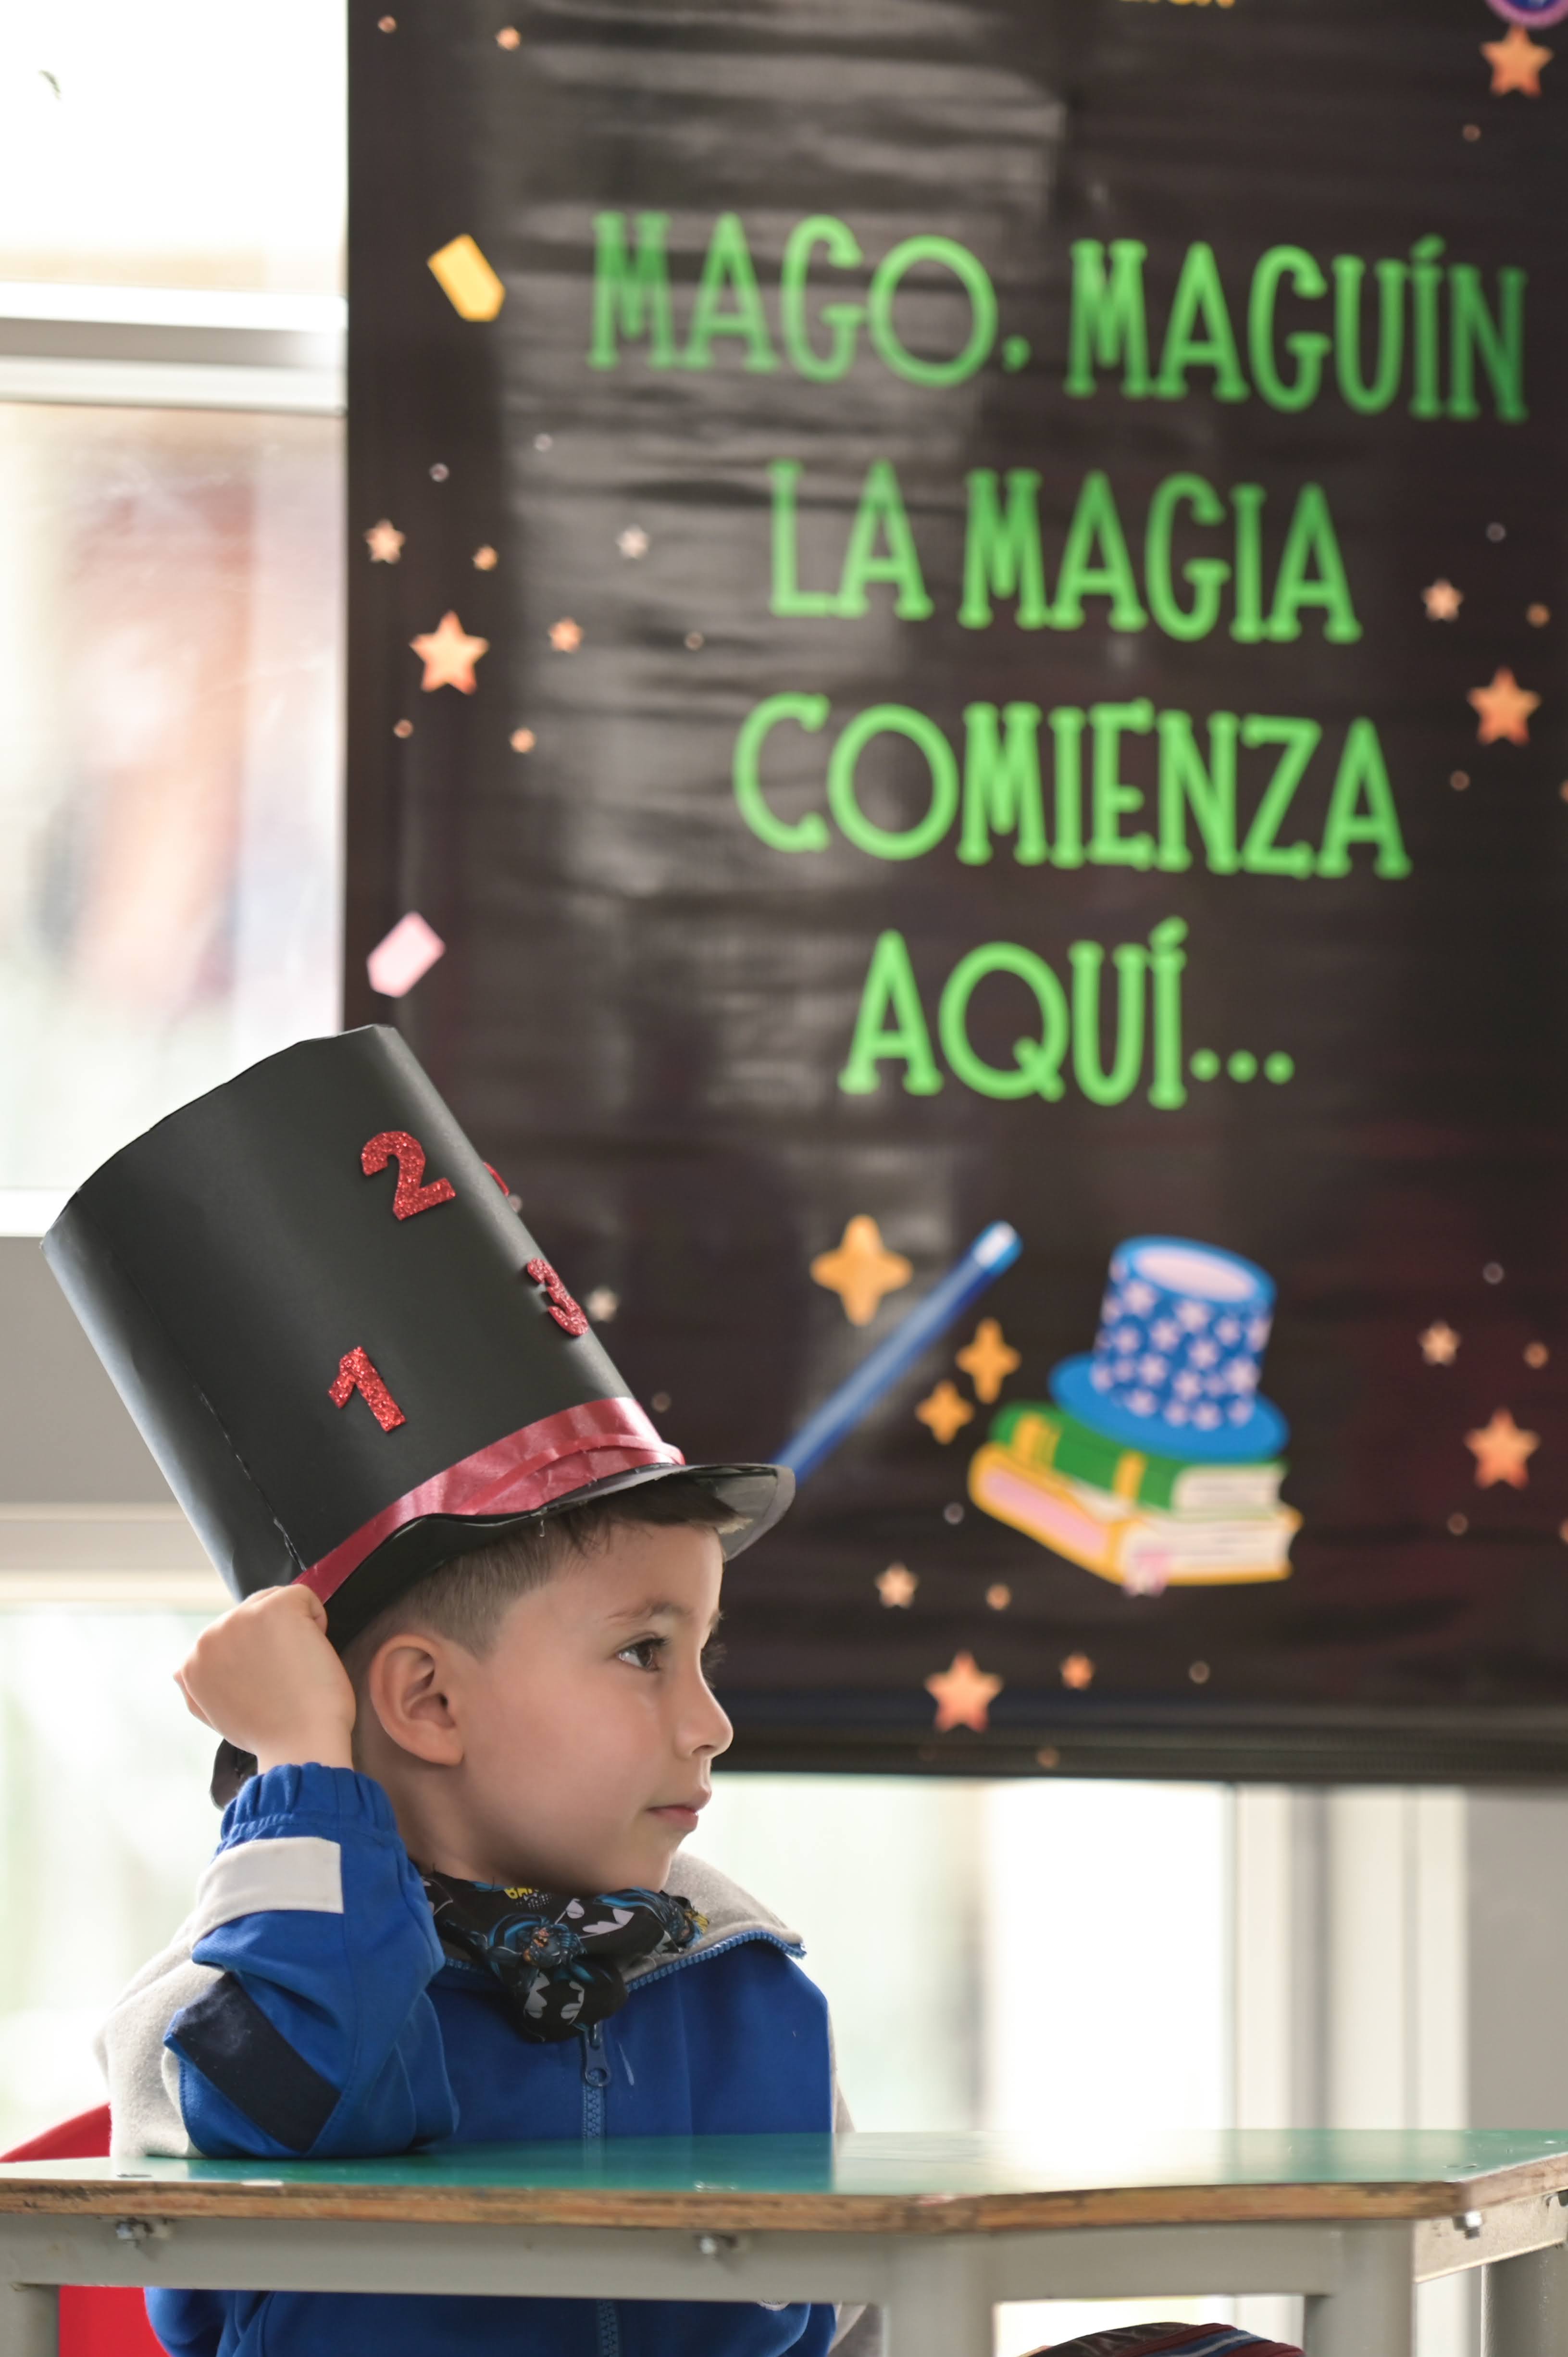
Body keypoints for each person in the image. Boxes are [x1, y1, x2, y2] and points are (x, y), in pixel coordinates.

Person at [45, 1027, 862, 2357]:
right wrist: (308, 1768)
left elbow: (844, 2324)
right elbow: (318, 2101)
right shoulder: (219, 2013)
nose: (711, 1723)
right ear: (426, 1704)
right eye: (644, 1652)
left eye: (704, 1654)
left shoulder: (749, 1988)